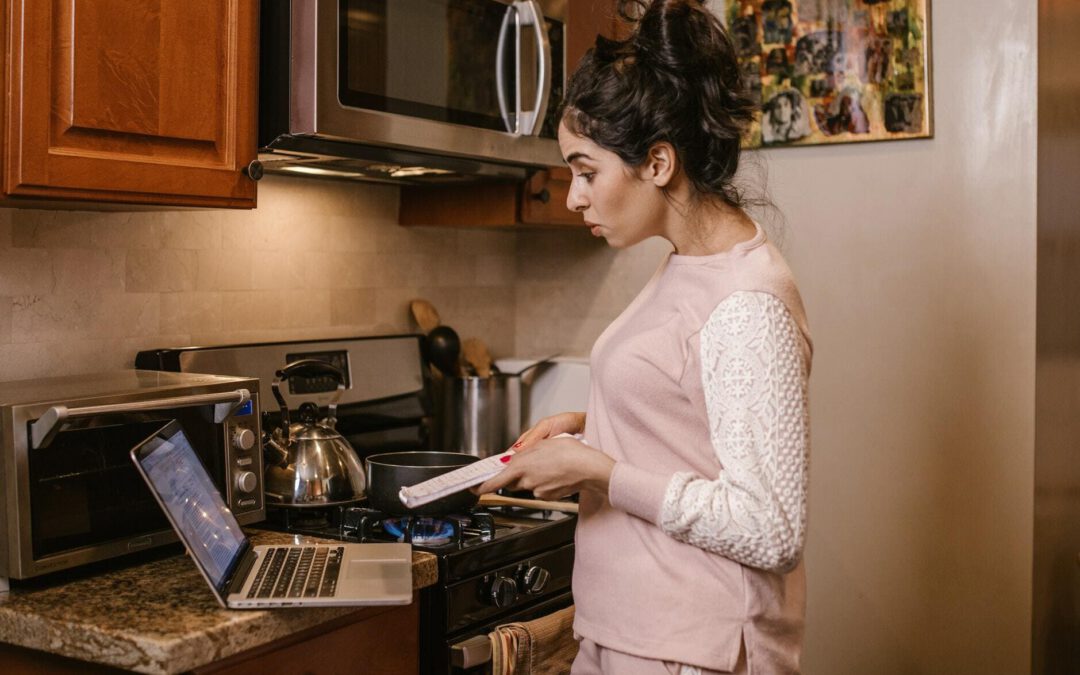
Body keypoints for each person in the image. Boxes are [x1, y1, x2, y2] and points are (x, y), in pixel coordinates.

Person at [475, 1, 812, 674]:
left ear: (657, 162)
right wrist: (594, 424)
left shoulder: (746, 304)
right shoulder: (688, 262)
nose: (572, 196)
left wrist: (596, 469)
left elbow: (770, 528)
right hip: (633, 634)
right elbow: (692, 413)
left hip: (692, 651)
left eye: (586, 170)